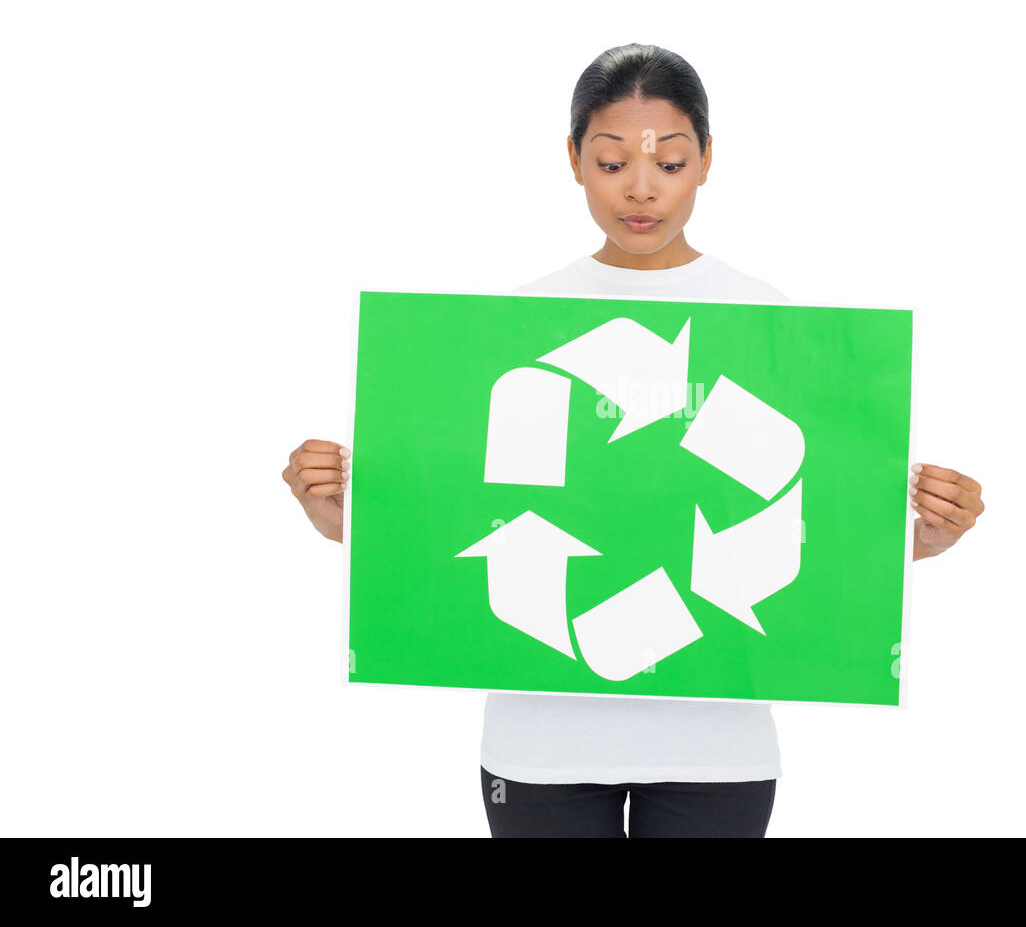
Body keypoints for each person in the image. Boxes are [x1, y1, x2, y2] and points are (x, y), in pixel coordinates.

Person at [281, 43, 985, 837]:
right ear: (574, 159)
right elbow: (460, 524)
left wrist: (919, 539)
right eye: (612, 163)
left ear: (708, 161)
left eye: (671, 162)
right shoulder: (514, 330)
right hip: (539, 743)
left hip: (718, 748)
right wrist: (337, 514)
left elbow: (801, 531)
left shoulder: (769, 322)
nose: (642, 189)